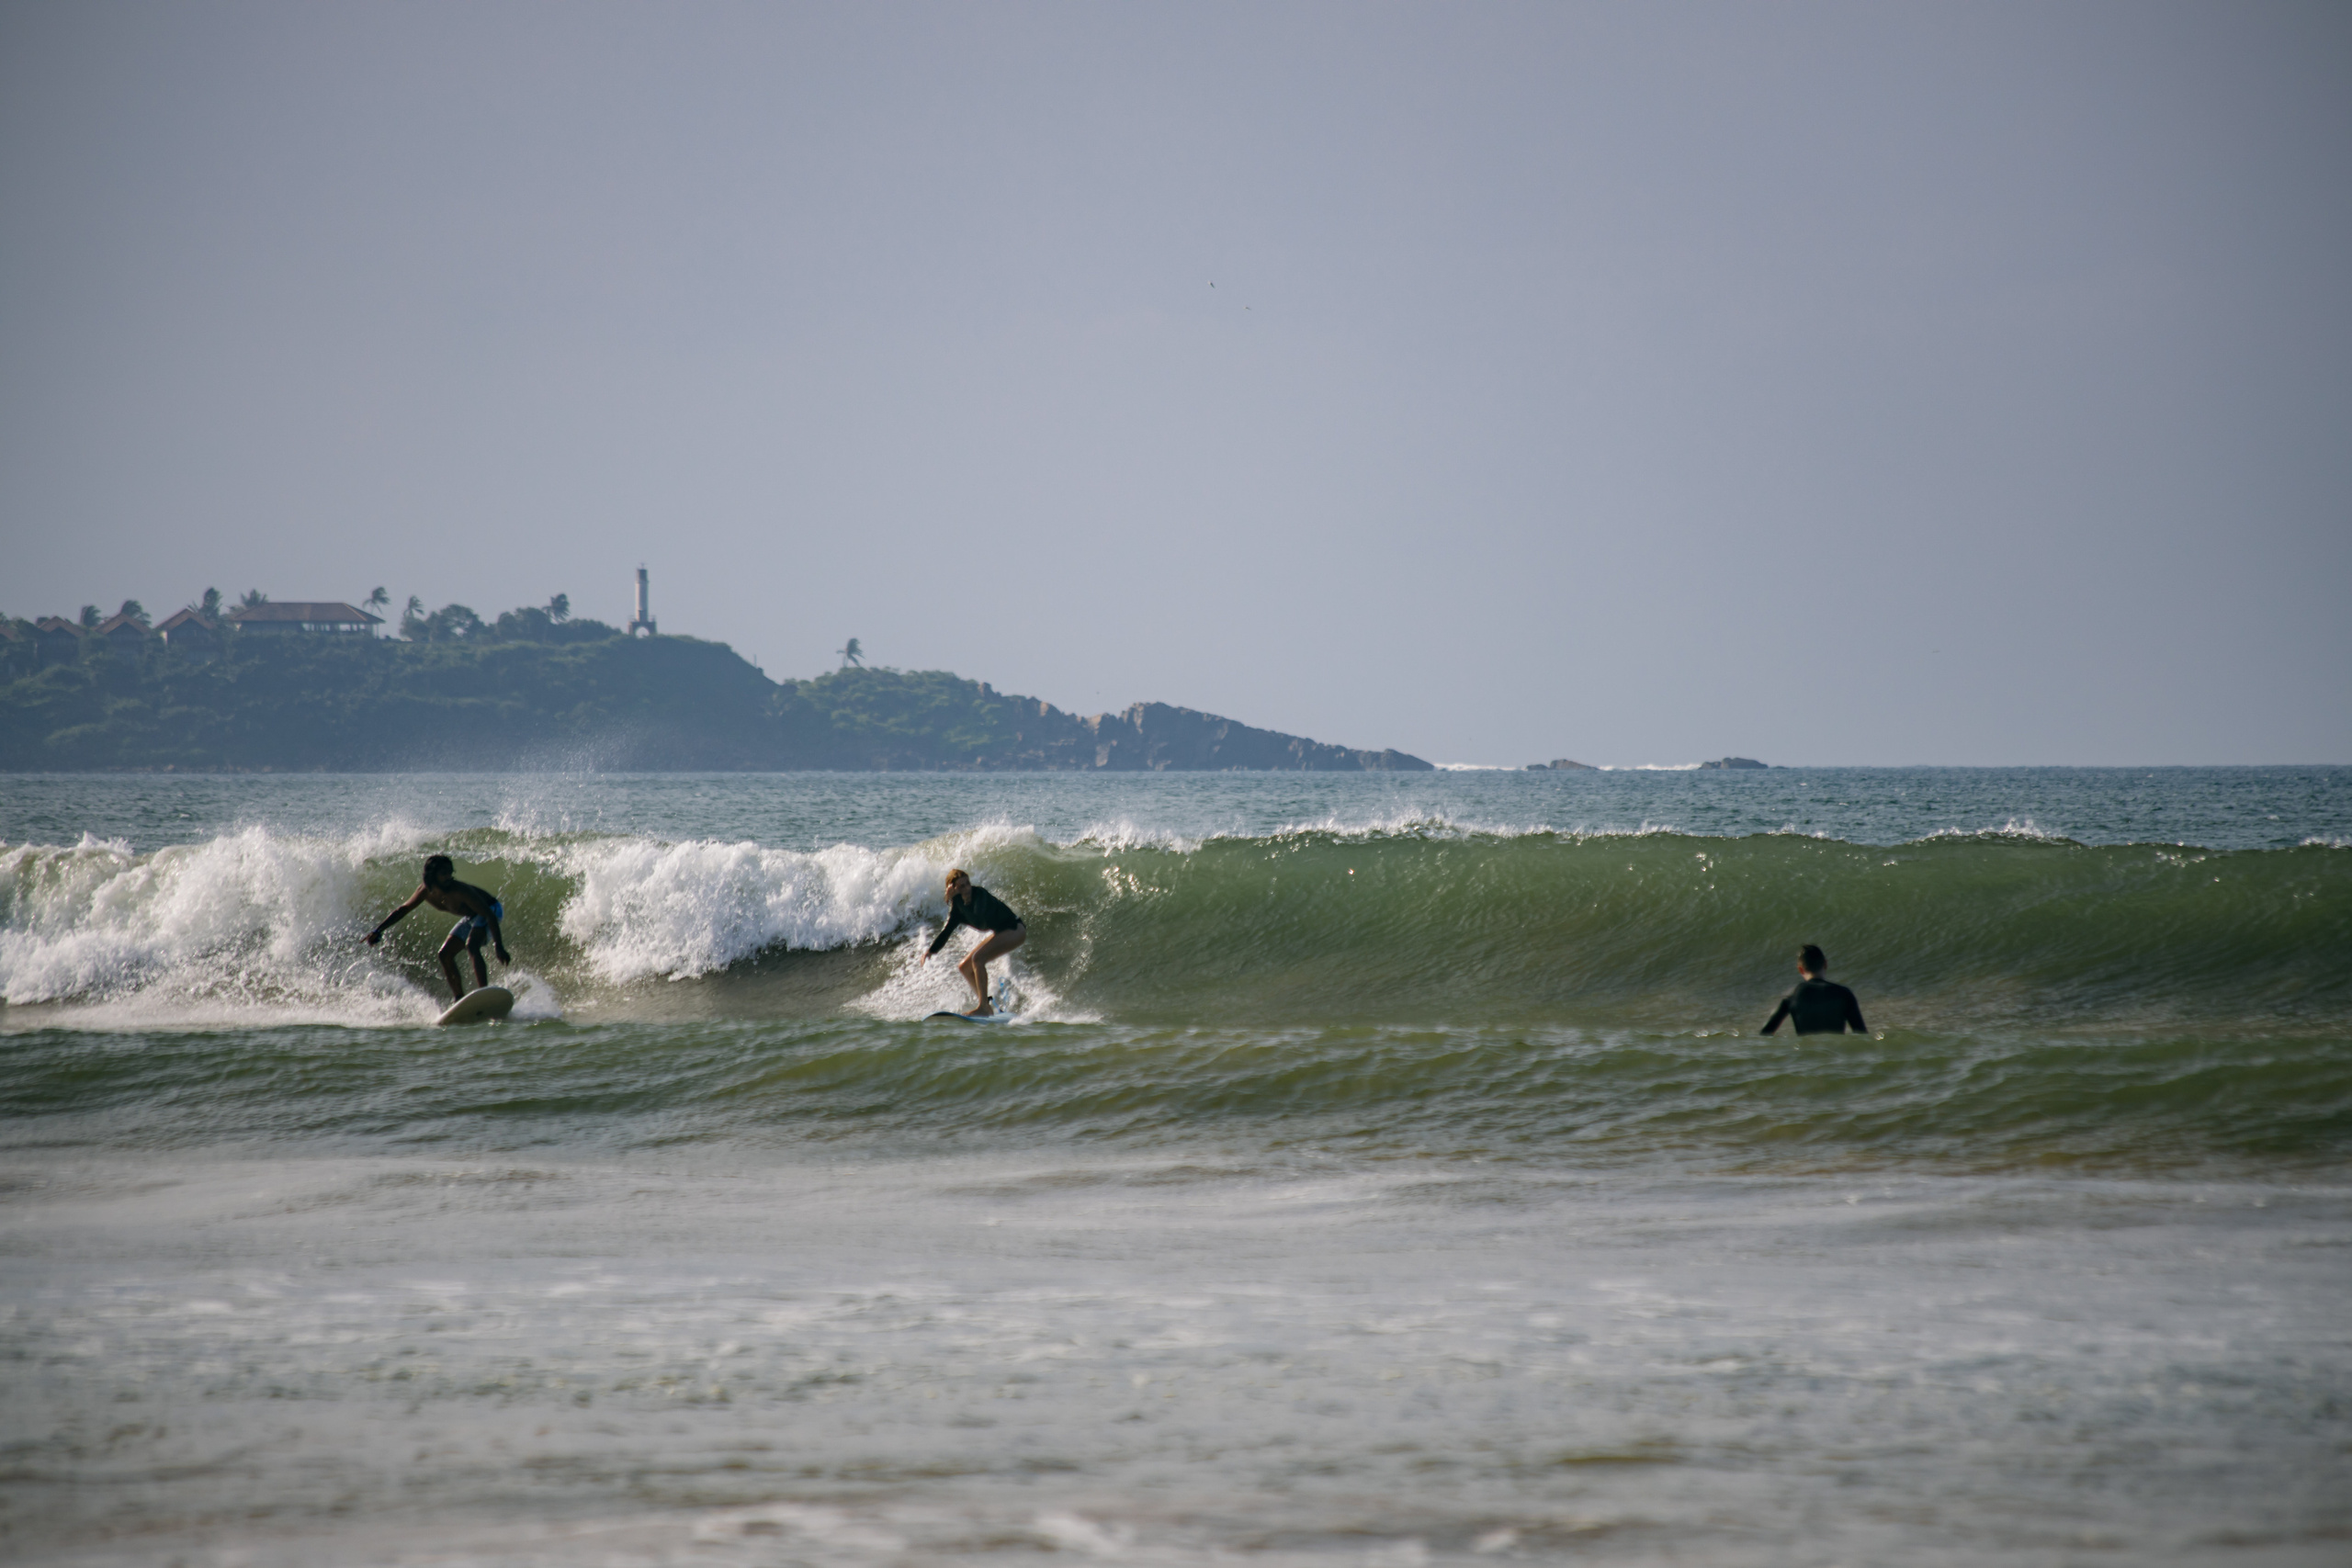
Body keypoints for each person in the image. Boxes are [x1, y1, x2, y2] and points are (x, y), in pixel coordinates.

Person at [364, 853, 509, 1003]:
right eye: (444, 873)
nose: (449, 877)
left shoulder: (460, 890)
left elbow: (489, 916)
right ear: (433, 875)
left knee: (472, 946)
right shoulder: (425, 891)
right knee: (444, 954)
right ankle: (459, 998)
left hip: (491, 910)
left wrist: (499, 946)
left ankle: (483, 993)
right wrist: (378, 930)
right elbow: (403, 909)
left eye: (450, 872)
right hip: (471, 916)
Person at [922, 867, 1025, 1016]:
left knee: (978, 959)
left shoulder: (980, 895)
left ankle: (982, 1007)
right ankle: (986, 1006)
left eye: (968, 884)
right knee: (964, 967)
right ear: (954, 889)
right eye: (962, 886)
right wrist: (931, 950)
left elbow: (980, 918)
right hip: (1001, 932)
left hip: (1015, 929)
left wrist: (956, 898)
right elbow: (947, 930)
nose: (967, 888)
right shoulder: (958, 907)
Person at [1759, 944, 1869, 1036]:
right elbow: (1862, 1034)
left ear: (1800, 969)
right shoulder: (1844, 994)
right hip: (1835, 1058)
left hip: (1806, 1059)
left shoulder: (1792, 997)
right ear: (1825, 964)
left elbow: (1765, 1034)